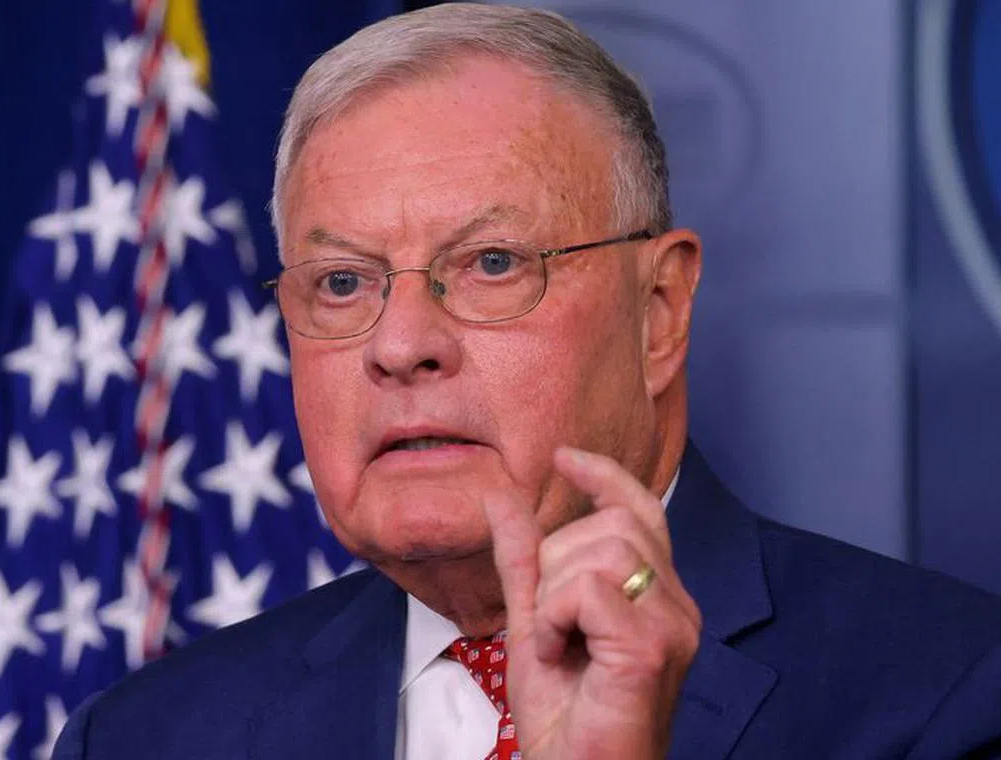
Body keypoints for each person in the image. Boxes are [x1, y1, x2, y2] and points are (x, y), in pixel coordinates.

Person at [53, 4, 1001, 758]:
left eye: (493, 264)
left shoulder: (950, 698)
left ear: (659, 310)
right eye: (343, 283)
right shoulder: (144, 738)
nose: (402, 345)